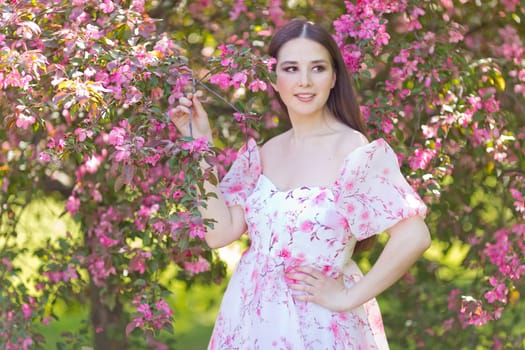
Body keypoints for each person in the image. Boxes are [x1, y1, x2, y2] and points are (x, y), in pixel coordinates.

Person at [171, 19, 431, 350]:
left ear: (334, 77)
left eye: (318, 68)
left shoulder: (353, 150)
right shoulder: (265, 152)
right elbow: (218, 232)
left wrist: (349, 296)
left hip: (320, 325)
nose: (304, 81)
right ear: (274, 79)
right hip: (250, 322)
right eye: (291, 68)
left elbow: (414, 235)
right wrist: (200, 146)